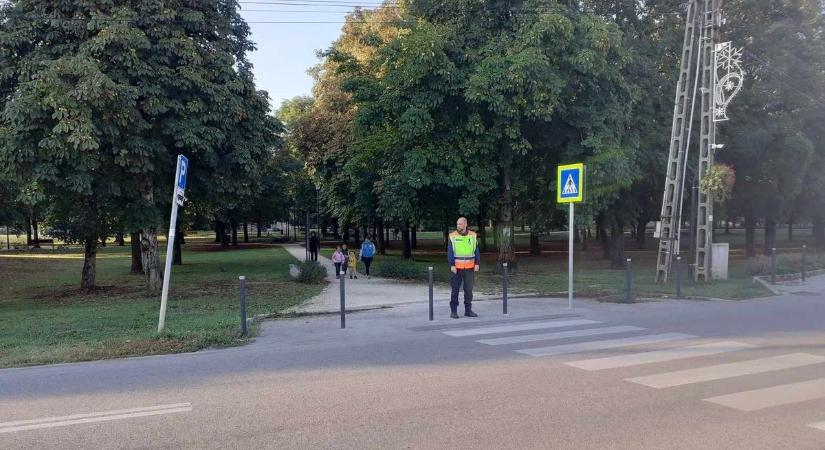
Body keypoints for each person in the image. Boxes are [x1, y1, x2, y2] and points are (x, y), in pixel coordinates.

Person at [447, 217, 480, 319]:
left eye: (460, 224)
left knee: (469, 290)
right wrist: (452, 265)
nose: (458, 226)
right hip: (457, 268)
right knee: (455, 290)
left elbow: (476, 250)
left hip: (470, 268)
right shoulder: (452, 236)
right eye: (457, 224)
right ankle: (453, 311)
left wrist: (477, 263)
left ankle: (468, 310)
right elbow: (450, 252)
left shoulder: (473, 236)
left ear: (466, 224)